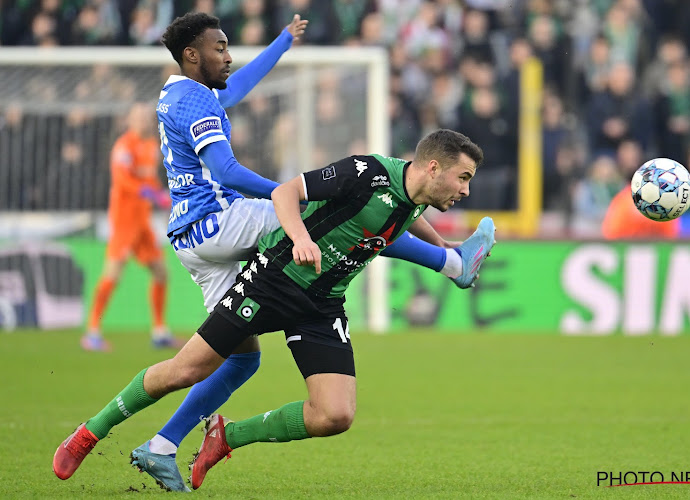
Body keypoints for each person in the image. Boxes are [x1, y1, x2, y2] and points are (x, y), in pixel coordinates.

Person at [54, 13, 494, 491]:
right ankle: (453, 262)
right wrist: (298, 197)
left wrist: (282, 43)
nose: (229, 55)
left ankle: (153, 444)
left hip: (200, 243)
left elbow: (239, 85)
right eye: (219, 48)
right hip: (215, 223)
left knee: (239, 361)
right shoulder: (194, 101)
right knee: (335, 215)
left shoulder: (185, 92)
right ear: (191, 56)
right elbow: (225, 171)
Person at [81, 102, 181, 352]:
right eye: (138, 117)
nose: (143, 121)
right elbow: (122, 180)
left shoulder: (151, 147)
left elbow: (150, 179)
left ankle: (159, 331)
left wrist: (160, 194)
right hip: (125, 221)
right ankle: (92, 332)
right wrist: (146, 191)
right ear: (129, 120)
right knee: (112, 273)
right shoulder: (123, 146)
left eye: (146, 117)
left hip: (142, 222)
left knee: (161, 272)